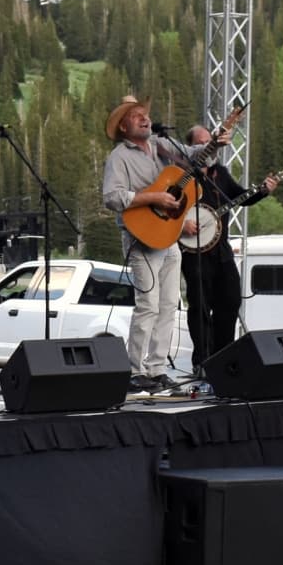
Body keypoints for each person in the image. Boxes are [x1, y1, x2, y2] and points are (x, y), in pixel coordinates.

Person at [101, 95, 231, 394]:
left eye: (145, 113)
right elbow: (112, 197)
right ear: (123, 126)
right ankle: (136, 372)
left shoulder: (162, 146)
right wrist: (154, 198)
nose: (145, 118)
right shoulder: (119, 157)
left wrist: (215, 145)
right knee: (147, 305)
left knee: (170, 304)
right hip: (140, 238)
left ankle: (157, 369)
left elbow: (195, 156)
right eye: (136, 115)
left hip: (168, 236)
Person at [179, 124, 278, 371]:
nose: (208, 146)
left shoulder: (219, 173)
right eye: (201, 143)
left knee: (231, 300)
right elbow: (169, 210)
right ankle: (202, 360)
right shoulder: (181, 177)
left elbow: (240, 197)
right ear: (190, 148)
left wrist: (263, 191)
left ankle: (222, 356)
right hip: (194, 253)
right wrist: (182, 225)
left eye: (210, 141)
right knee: (200, 306)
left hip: (222, 250)